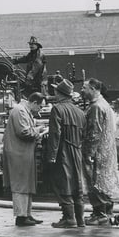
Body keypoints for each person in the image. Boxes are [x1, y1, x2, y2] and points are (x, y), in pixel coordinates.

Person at [43, 78, 87, 228]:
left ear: (59, 93)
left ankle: (69, 218)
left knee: (63, 183)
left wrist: (51, 157)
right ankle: (80, 219)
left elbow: (55, 135)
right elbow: (84, 135)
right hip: (77, 150)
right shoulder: (81, 112)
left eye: (55, 90)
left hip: (63, 151)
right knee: (77, 183)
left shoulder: (57, 109)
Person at [2, 89, 45, 226]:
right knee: (20, 185)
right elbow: (24, 132)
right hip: (18, 153)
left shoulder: (23, 111)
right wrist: (38, 131)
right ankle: (21, 216)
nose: (39, 110)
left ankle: (27, 214)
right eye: (40, 106)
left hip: (23, 153)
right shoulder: (20, 111)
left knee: (26, 183)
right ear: (33, 102)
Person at [81, 78, 118, 226]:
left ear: (93, 89)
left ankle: (100, 213)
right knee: (104, 181)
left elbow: (94, 132)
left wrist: (89, 153)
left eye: (84, 88)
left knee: (95, 182)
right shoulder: (104, 105)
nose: (82, 90)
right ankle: (106, 211)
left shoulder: (96, 107)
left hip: (97, 152)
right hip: (105, 150)